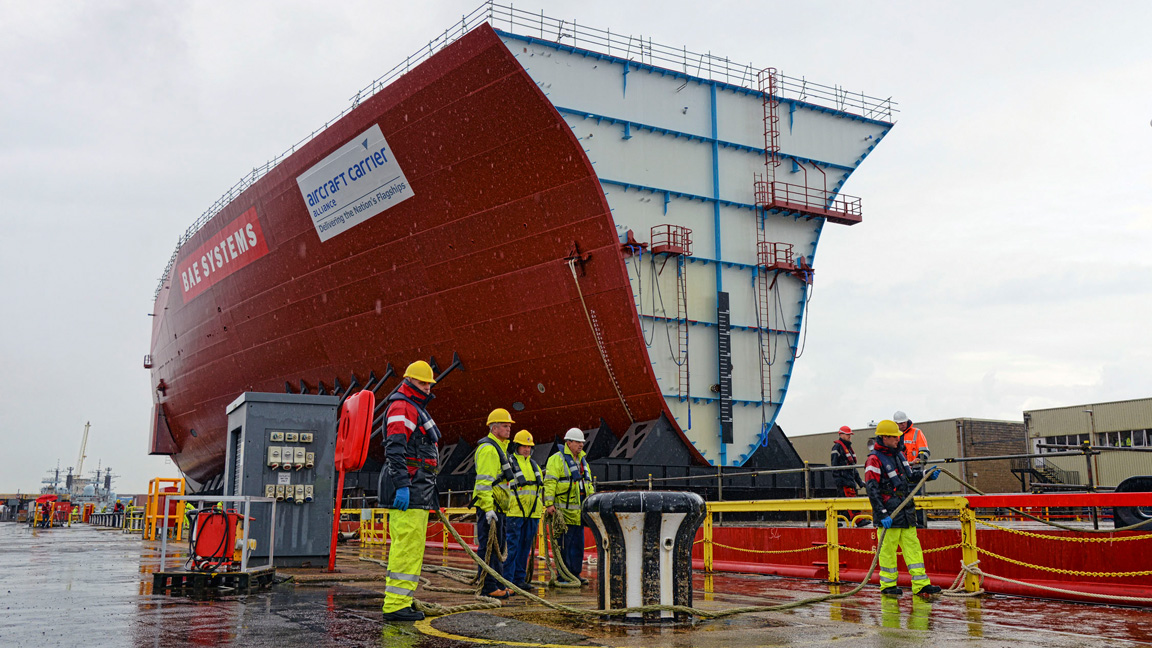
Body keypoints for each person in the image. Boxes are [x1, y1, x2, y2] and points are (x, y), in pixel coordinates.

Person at [379, 360, 441, 622]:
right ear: (409, 381)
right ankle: (395, 605)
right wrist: (403, 486)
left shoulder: (410, 406)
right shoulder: (403, 406)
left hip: (418, 490)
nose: (427, 388)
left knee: (411, 548)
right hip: (410, 490)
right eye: (422, 382)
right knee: (406, 548)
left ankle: (402, 600)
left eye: (429, 383)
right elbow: (395, 449)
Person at [865, 419, 942, 599]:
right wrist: (881, 513)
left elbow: (909, 477)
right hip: (890, 513)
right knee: (888, 551)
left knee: (913, 548)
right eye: (894, 437)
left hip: (905, 510)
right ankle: (888, 585)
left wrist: (926, 475)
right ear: (884, 437)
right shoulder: (874, 459)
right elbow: (872, 488)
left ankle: (921, 584)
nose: (898, 440)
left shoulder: (899, 455)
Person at [473, 408, 517, 599]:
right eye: (505, 426)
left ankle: (497, 583)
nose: (509, 429)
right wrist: (488, 508)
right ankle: (488, 586)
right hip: (490, 508)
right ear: (494, 428)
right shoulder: (490, 449)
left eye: (509, 426)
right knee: (490, 548)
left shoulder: (500, 448)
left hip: (498, 508)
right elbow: (484, 482)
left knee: (497, 548)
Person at [544, 427, 595, 585]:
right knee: (563, 546)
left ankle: (575, 574)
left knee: (577, 546)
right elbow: (550, 482)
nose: (581, 445)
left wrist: (592, 501)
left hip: (579, 513)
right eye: (578, 442)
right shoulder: (556, 459)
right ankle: (563, 575)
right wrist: (549, 504)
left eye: (582, 442)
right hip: (563, 513)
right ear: (568, 442)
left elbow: (588, 483)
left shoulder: (582, 461)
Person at [502, 430, 544, 591]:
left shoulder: (534, 466)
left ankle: (519, 579)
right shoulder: (510, 464)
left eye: (529, 446)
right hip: (515, 512)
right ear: (517, 447)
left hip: (532, 513)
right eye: (524, 446)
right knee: (512, 548)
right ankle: (507, 580)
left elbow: (541, 489)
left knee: (525, 547)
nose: (527, 449)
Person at [893, 411, 931, 527]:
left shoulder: (916, 432)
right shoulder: (894, 435)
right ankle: (907, 520)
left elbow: (925, 450)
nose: (902, 425)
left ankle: (920, 521)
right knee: (902, 496)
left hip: (914, 469)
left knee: (917, 494)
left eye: (903, 423)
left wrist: (919, 459)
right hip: (900, 471)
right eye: (899, 424)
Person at [830, 425, 867, 526]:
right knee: (850, 499)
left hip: (848, 479)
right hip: (844, 480)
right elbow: (834, 465)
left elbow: (853, 467)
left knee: (842, 500)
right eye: (847, 434)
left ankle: (834, 520)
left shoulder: (848, 448)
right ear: (841, 434)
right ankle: (858, 520)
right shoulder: (837, 447)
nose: (849, 436)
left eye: (850, 434)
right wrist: (839, 480)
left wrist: (859, 482)